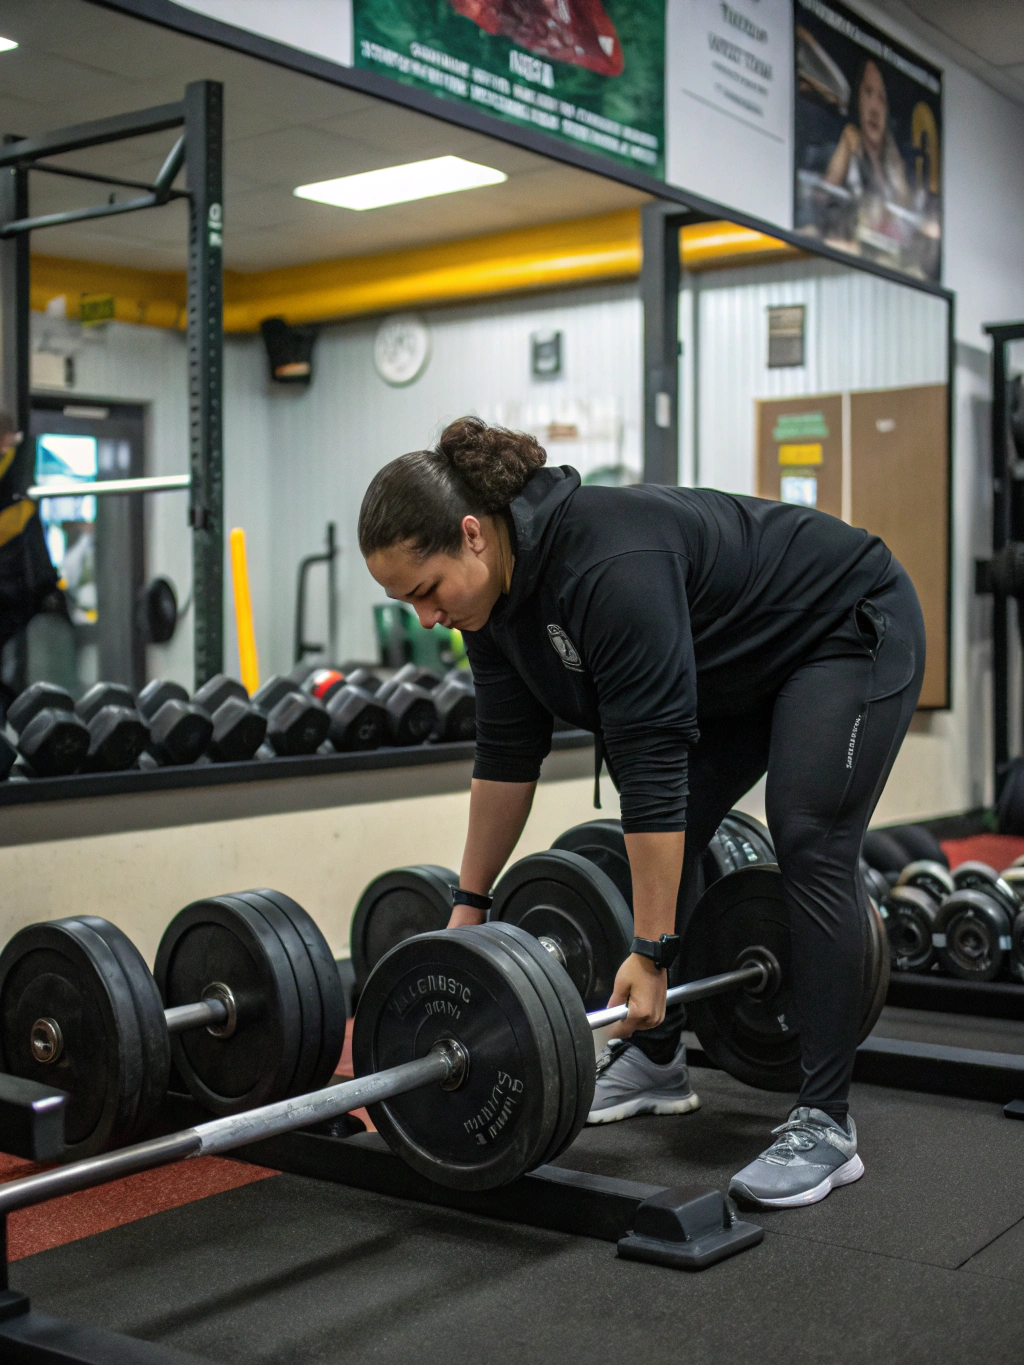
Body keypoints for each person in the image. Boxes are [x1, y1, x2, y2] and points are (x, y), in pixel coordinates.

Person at [359, 417, 924, 1209]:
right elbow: (505, 757)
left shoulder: (607, 565)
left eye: (424, 590)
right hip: (742, 670)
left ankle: (825, 1124)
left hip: (845, 625)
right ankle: (657, 1057)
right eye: (404, 601)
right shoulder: (495, 608)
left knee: (808, 836)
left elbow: (652, 765)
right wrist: (469, 902)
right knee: (672, 826)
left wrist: (652, 951)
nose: (425, 617)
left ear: (472, 535)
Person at [824, 58, 911, 210]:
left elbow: (910, 223)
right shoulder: (849, 141)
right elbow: (821, 199)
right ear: (858, 99)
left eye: (882, 99)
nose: (874, 109)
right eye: (868, 92)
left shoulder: (894, 162)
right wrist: (846, 146)